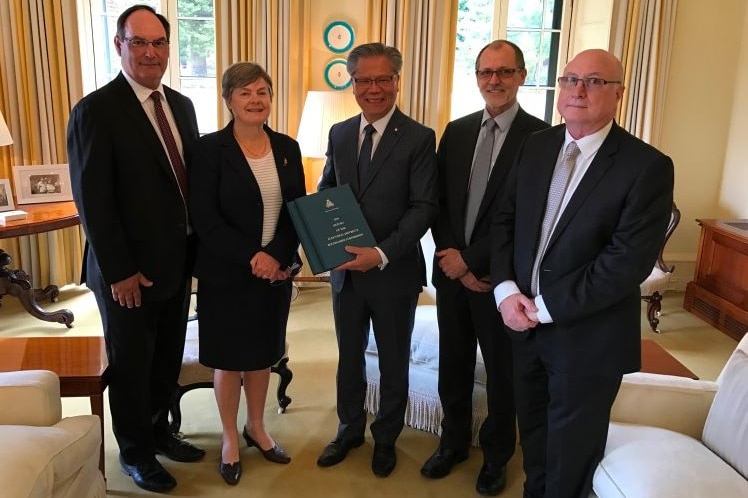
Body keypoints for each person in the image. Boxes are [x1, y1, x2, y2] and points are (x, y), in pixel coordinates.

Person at [490, 49, 674, 497]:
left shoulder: (647, 166)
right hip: (523, 327)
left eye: (593, 81)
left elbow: (625, 263)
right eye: (570, 79)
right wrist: (506, 290)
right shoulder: (536, 145)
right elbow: (505, 220)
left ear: (618, 94)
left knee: (572, 454)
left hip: (588, 338)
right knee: (533, 439)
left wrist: (545, 308)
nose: (577, 90)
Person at [67, 5, 205, 493]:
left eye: (159, 42)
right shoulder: (96, 110)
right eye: (139, 42)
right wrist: (120, 270)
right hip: (127, 273)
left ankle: (161, 432)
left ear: (169, 48)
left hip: (176, 262)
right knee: (131, 362)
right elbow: (93, 202)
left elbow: (187, 186)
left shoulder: (182, 106)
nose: (151, 52)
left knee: (166, 357)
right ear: (119, 46)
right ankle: (135, 453)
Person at [423, 40, 549, 496]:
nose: (494, 80)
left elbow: (528, 216)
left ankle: (496, 457)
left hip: (501, 281)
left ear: (520, 76)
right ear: (476, 77)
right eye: (485, 72)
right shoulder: (454, 132)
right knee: (452, 366)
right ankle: (452, 442)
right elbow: (436, 204)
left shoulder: (542, 138)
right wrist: (453, 260)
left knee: (502, 373)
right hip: (452, 275)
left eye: (504, 72)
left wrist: (475, 263)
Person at [315, 42, 438, 478]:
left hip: (393, 272)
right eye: (364, 79)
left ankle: (385, 438)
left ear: (397, 82)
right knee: (349, 357)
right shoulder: (340, 133)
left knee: (391, 360)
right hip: (346, 274)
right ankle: (349, 430)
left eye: (382, 79)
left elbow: (423, 207)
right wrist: (324, 237)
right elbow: (328, 190)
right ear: (352, 84)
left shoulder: (421, 138)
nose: (373, 88)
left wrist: (381, 252)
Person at [188, 62, 305, 486]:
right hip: (226, 273)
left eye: (263, 92)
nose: (256, 100)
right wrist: (252, 256)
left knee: (261, 356)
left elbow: (296, 210)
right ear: (228, 101)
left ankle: (256, 428)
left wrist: (275, 256)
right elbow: (205, 218)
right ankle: (228, 439)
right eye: (245, 93)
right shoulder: (208, 150)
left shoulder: (288, 147)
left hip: (274, 274)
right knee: (229, 360)